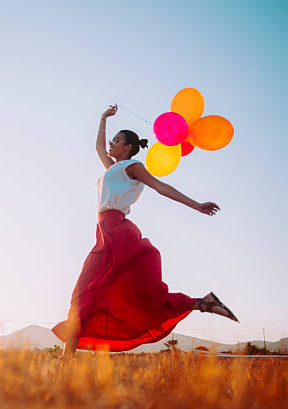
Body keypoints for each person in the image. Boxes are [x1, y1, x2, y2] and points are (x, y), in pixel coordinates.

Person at [52, 104, 239, 362]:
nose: (111, 143)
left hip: (118, 232)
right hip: (104, 232)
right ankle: (203, 303)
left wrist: (197, 205)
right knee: (83, 294)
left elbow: (161, 187)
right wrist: (103, 118)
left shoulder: (133, 167)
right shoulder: (111, 168)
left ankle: (65, 361)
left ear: (128, 147)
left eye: (116, 140)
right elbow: (97, 148)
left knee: (122, 295)